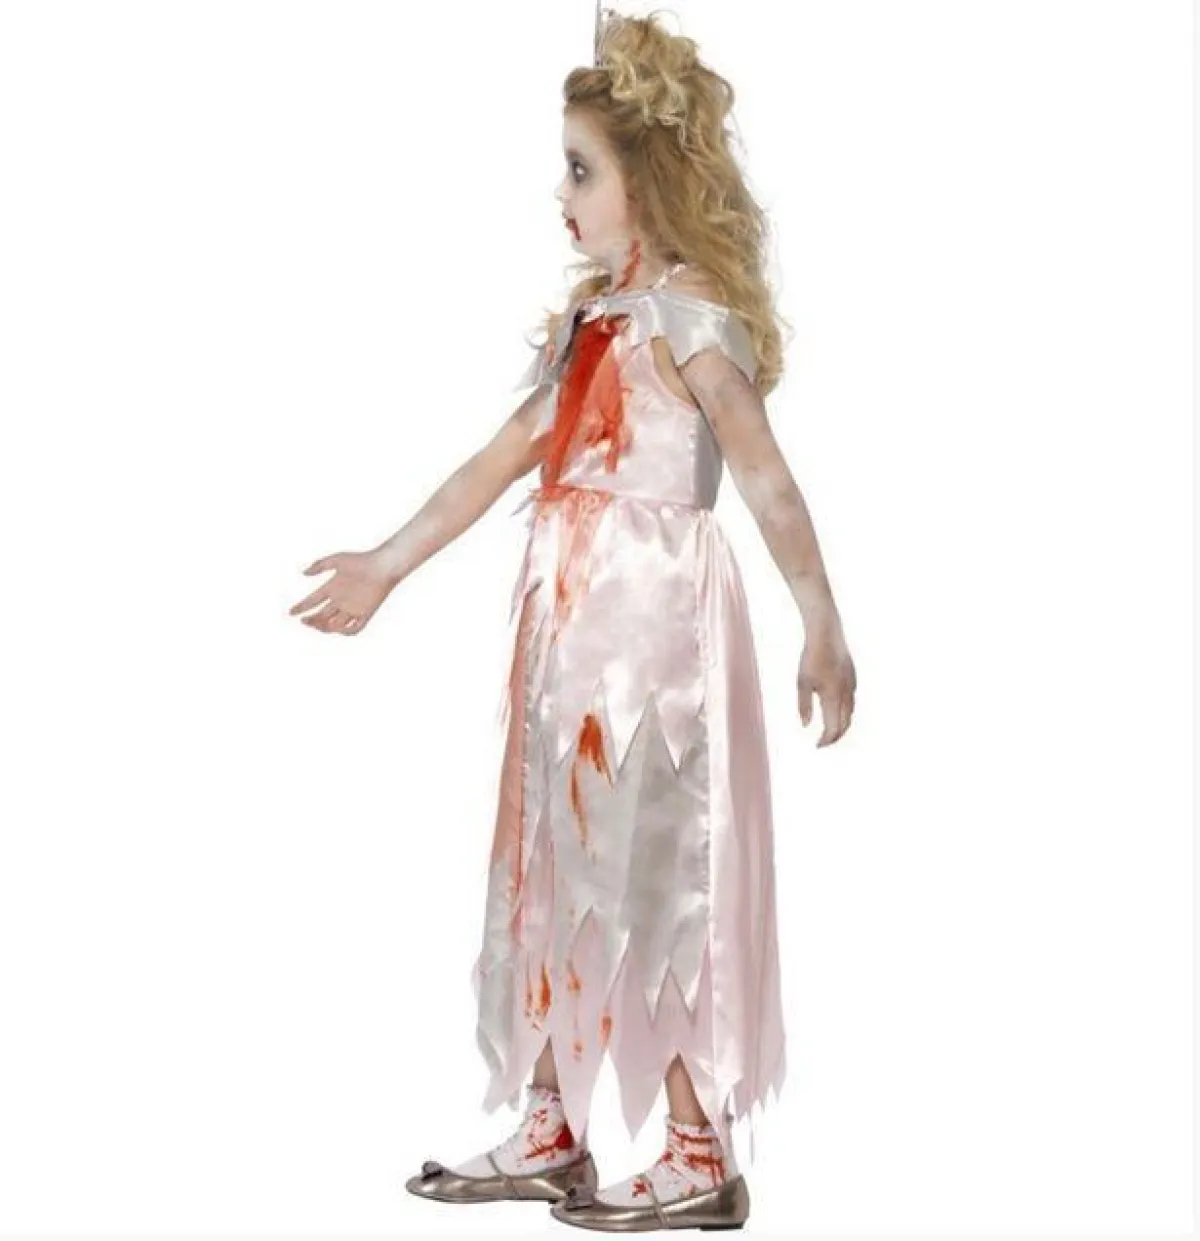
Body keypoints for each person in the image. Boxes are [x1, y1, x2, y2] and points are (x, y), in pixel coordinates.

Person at [287, 7, 856, 1232]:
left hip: (656, 649)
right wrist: (386, 563)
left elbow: (767, 480)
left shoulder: (689, 323)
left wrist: (822, 623)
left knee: (656, 877)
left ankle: (698, 1148)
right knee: (551, 863)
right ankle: (552, 1121)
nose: (562, 192)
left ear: (649, 177)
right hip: (567, 644)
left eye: (581, 169)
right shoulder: (596, 326)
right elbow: (500, 458)